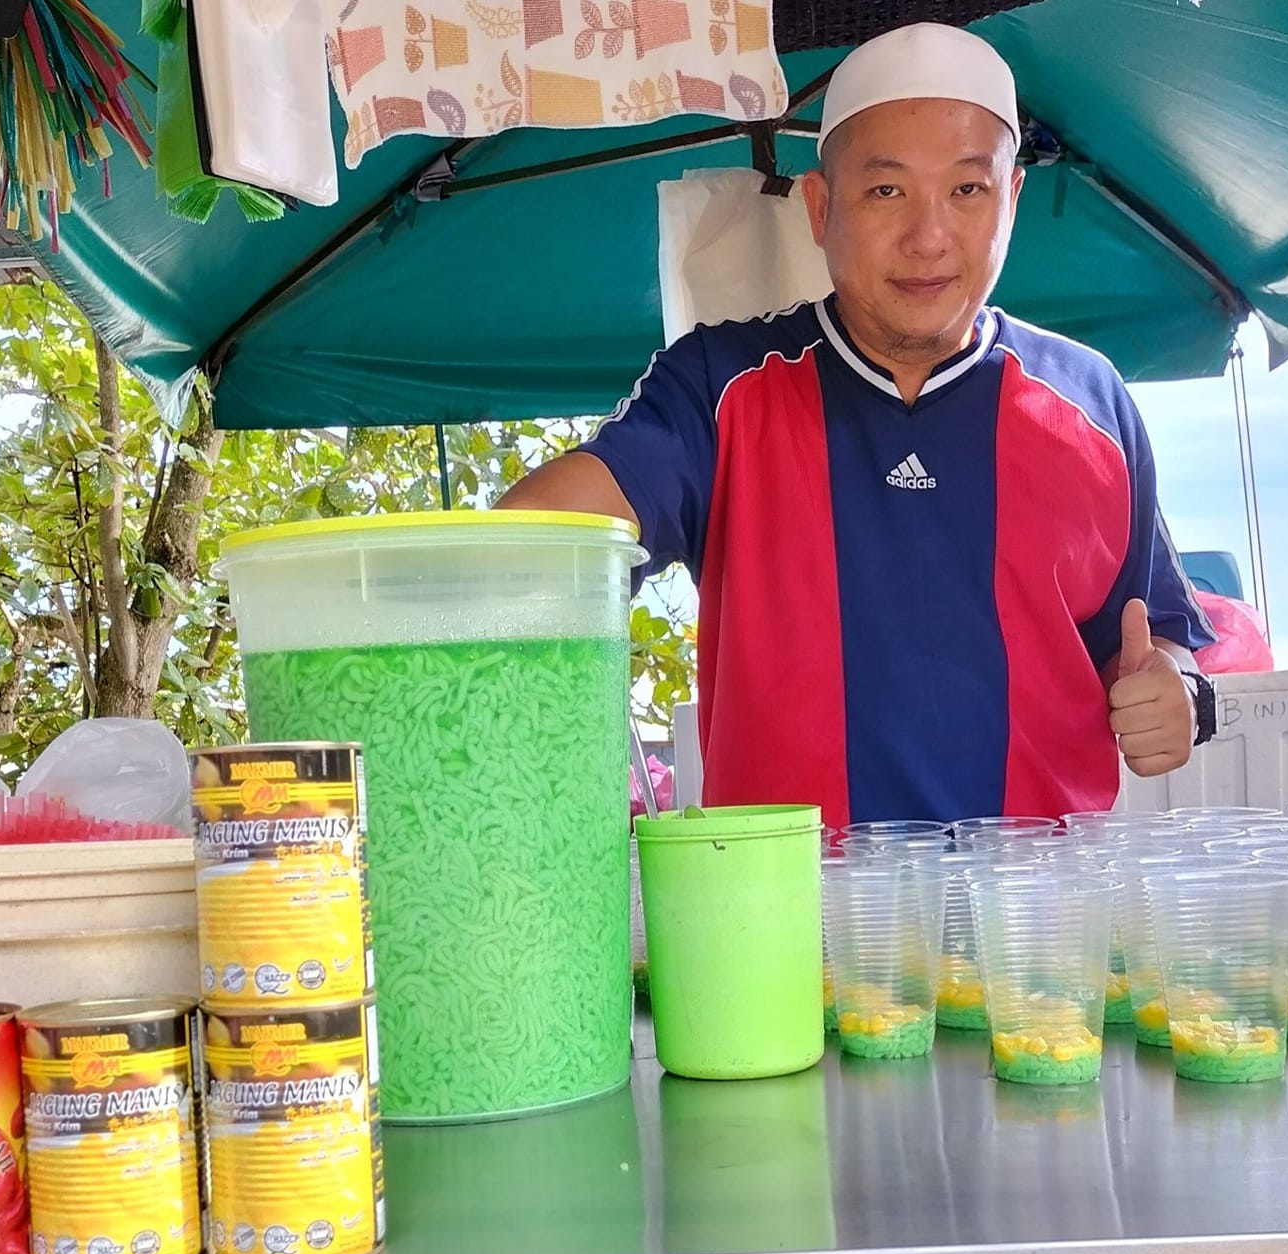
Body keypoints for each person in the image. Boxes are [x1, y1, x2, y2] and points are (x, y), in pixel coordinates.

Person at [498, 23, 1217, 826]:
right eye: (886, 190)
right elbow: (534, 544)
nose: (929, 236)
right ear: (818, 204)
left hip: (1036, 922)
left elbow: (1155, 634)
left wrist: (1175, 689)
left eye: (967, 190)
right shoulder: (719, 389)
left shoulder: (1092, 401)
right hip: (787, 922)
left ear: (1010, 198)